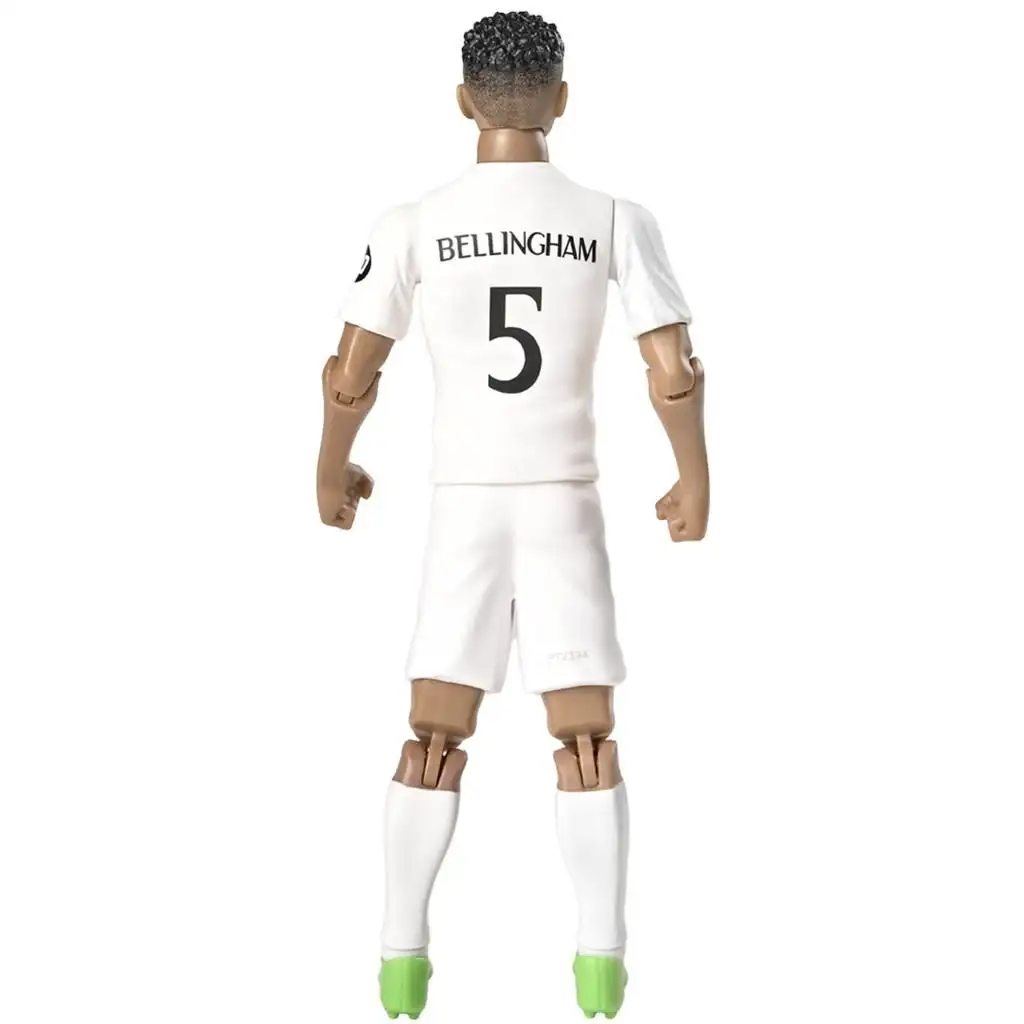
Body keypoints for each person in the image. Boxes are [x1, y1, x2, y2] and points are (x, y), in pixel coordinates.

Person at [316, 11, 709, 1019]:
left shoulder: (412, 223)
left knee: (433, 731)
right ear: (562, 101)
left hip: (466, 508)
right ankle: (601, 966)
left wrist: (331, 470)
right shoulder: (614, 218)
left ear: (463, 101)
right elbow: (671, 368)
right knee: (585, 735)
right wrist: (693, 478)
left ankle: (400, 962)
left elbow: (351, 372)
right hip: (565, 503)